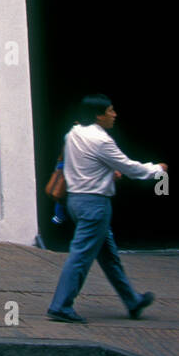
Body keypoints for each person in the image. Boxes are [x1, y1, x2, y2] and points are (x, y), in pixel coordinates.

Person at [47, 94, 167, 324]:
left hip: (76, 201)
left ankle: (132, 300)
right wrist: (157, 169)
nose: (115, 115)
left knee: (108, 255)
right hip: (95, 205)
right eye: (110, 111)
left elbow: (85, 163)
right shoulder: (102, 140)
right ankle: (60, 306)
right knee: (81, 256)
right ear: (98, 116)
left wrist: (107, 172)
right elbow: (132, 169)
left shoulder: (73, 133)